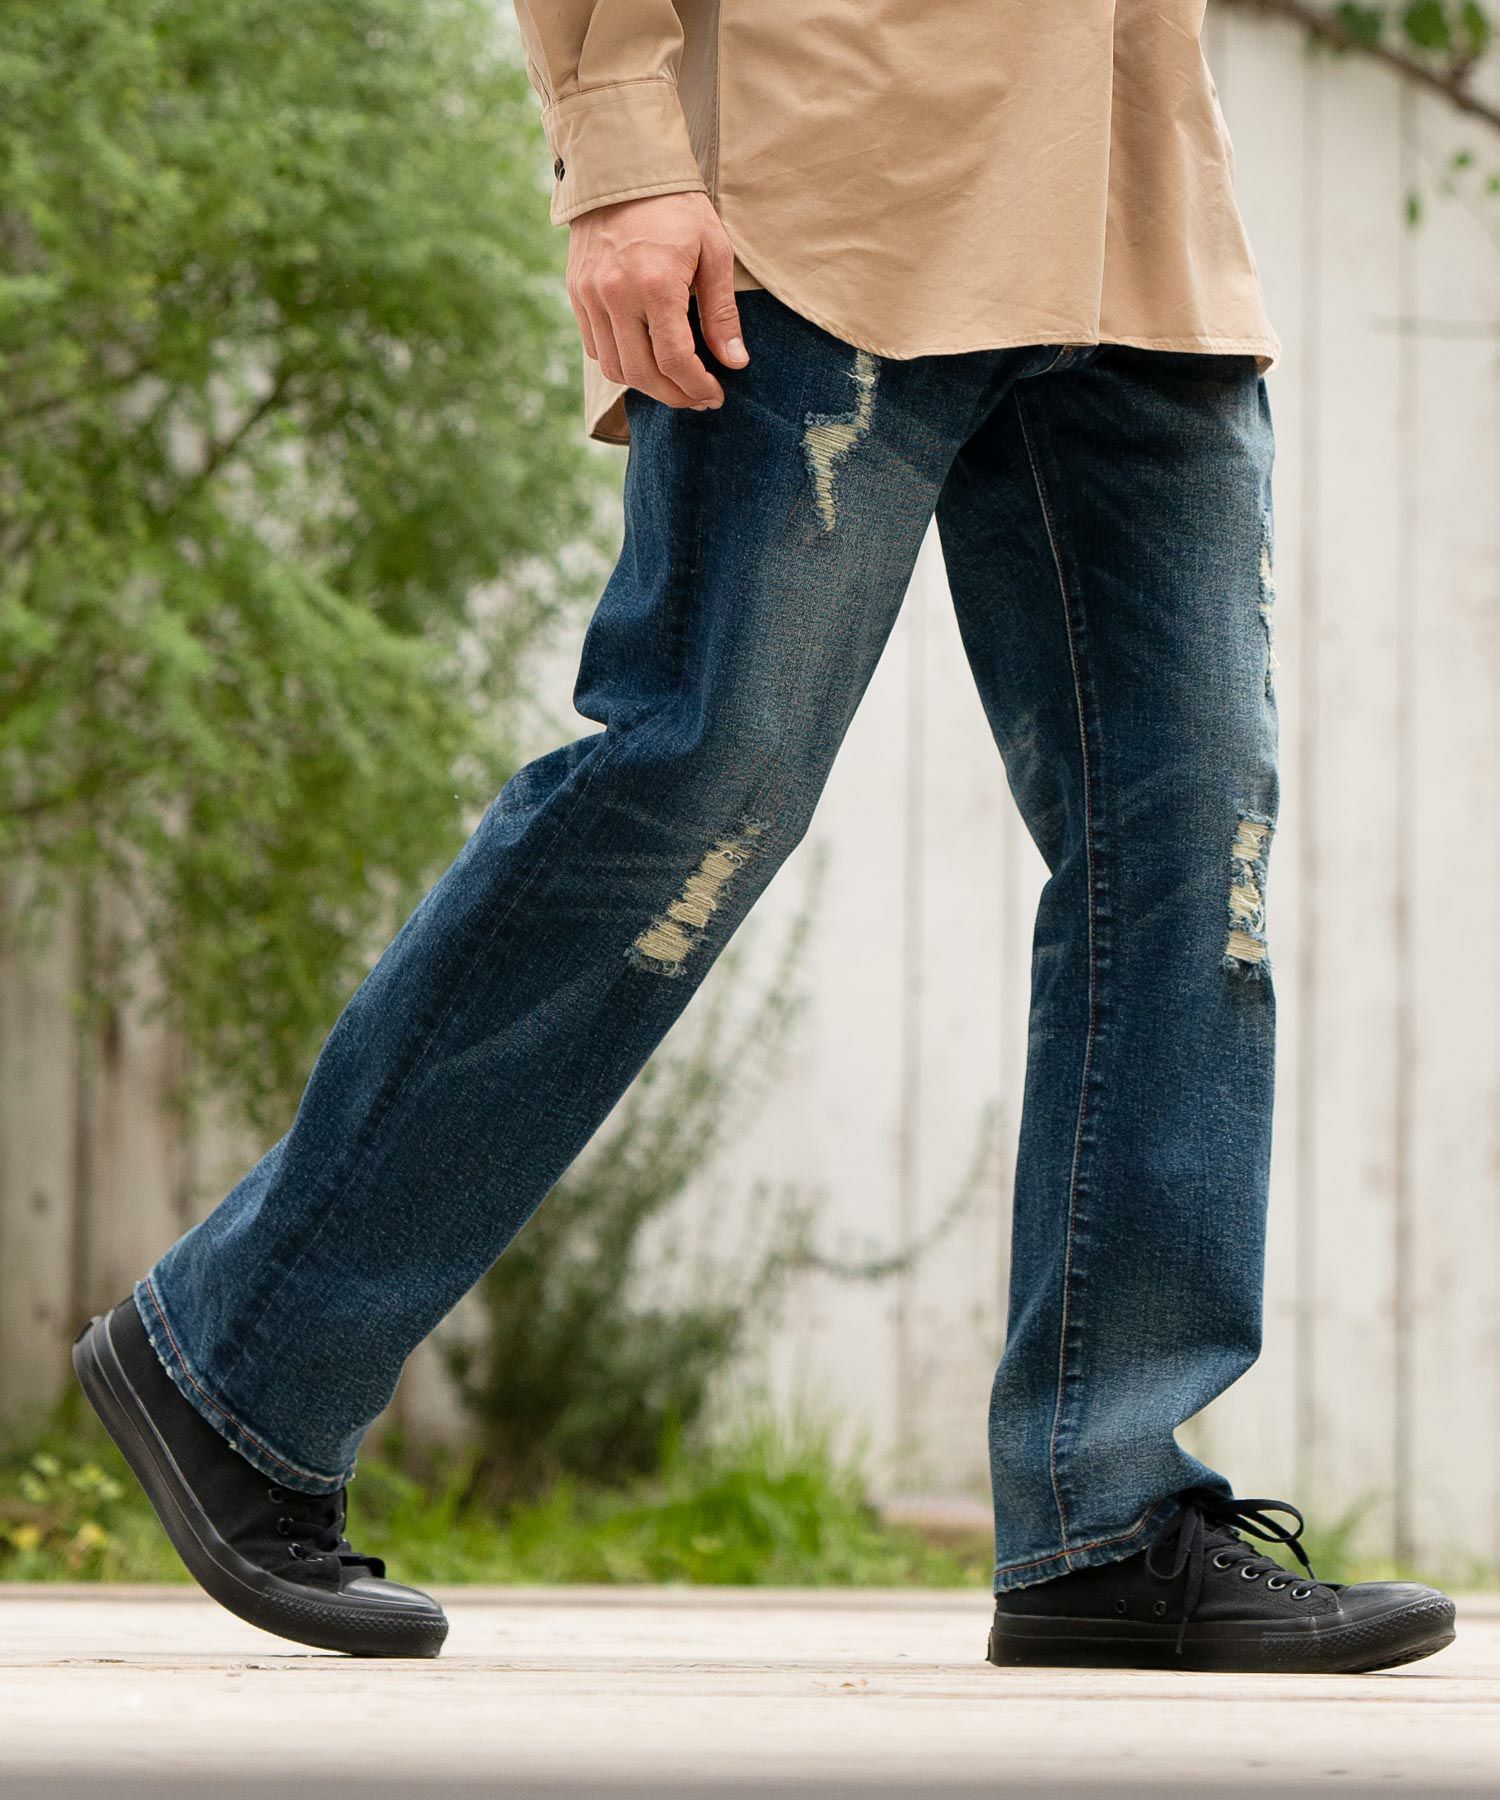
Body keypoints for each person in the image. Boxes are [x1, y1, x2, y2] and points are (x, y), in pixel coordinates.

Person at [74, 1, 1456, 1671]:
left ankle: (1109, 1517)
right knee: (696, 790)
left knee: (1193, 855)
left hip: (1137, 209)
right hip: (830, 186)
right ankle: (240, 1362)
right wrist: (618, 152)